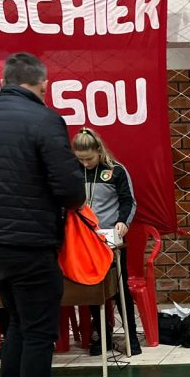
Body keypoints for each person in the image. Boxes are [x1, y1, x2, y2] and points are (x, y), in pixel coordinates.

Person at [0, 53, 86, 377]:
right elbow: (70, 189)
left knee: (19, 324)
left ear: (5, 81)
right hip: (30, 242)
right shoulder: (45, 120)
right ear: (43, 84)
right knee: (39, 329)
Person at [71, 128, 142, 356]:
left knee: (120, 288)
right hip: (83, 240)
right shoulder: (73, 172)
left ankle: (131, 336)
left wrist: (123, 222)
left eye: (89, 159)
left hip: (111, 239)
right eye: (80, 159)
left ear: (99, 151)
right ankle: (102, 334)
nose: (85, 164)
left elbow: (128, 201)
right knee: (92, 287)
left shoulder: (116, 171)